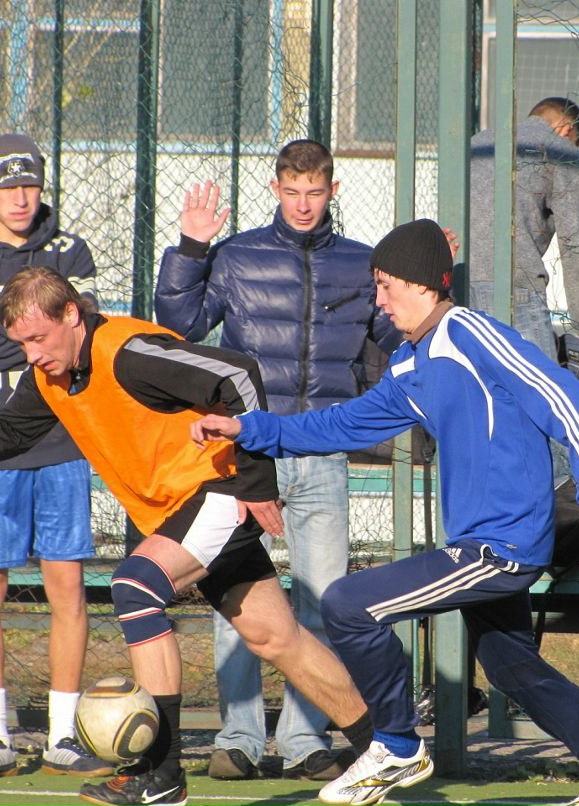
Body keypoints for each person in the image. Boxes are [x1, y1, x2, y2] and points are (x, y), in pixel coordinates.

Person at [191, 218, 579, 806]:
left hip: (501, 545)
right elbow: (342, 424)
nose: (379, 300)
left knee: (347, 604)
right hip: (479, 542)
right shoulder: (410, 363)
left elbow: (564, 398)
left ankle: (395, 745)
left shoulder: (469, 333)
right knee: (514, 670)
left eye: (386, 285)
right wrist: (250, 429)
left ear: (422, 284)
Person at [0, 268, 373, 806]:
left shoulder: (129, 353)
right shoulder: (51, 375)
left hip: (218, 489)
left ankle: (163, 774)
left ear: (71, 314)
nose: (31, 354)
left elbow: (237, 374)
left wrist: (256, 481)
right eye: (21, 344)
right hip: (182, 510)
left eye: (37, 338)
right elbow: (6, 432)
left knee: (135, 587)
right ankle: (387, 746)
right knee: (276, 638)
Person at [155, 138, 398, 782]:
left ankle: (304, 739)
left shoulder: (361, 263)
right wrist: (191, 249)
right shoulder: (237, 256)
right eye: (292, 192)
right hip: (246, 452)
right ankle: (238, 738)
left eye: (314, 192)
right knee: (238, 600)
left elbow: (396, 331)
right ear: (275, 189)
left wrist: (423, 276)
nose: (303, 204)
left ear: (333, 190)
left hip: (322, 448)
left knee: (322, 602)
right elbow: (180, 325)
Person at [0, 134, 109, 779]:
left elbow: (85, 335)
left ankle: (63, 736)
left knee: (67, 586)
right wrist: (38, 336)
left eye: (31, 185)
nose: (20, 198)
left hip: (61, 440)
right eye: (8, 185)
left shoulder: (68, 251)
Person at [469, 96, 579, 356]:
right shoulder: (560, 150)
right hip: (516, 291)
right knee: (541, 382)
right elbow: (576, 249)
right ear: (567, 131)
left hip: (456, 290)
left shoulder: (477, 143)